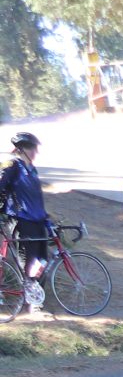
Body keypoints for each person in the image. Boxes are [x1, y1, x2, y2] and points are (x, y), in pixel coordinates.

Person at [0, 132, 52, 314]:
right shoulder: (12, 166)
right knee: (30, 261)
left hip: (38, 220)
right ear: (21, 149)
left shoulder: (32, 169)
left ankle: (36, 298)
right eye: (32, 148)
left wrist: (46, 218)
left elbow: (37, 197)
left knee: (43, 260)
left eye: (35, 148)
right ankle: (33, 304)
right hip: (22, 220)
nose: (35, 152)